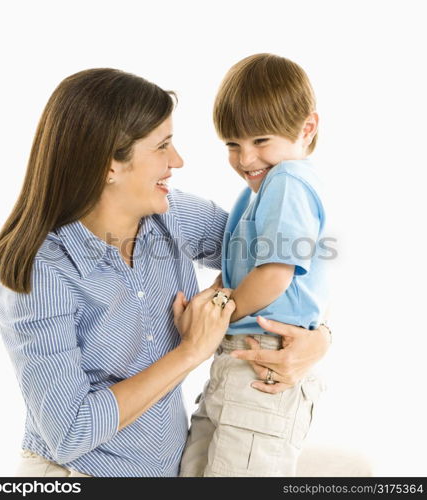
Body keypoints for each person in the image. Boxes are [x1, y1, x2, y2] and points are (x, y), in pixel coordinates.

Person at [0, 68, 331, 477]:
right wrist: (192, 350)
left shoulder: (169, 214)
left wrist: (317, 339)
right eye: (163, 146)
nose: (178, 161)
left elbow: (276, 262)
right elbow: (69, 432)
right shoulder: (43, 275)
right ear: (108, 166)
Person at [179, 53, 330, 477]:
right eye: (232, 144)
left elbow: (274, 275)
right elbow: (240, 271)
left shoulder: (288, 180)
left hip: (263, 362)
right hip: (238, 361)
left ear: (307, 128)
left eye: (260, 140)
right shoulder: (257, 192)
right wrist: (211, 297)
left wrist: (214, 311)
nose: (245, 159)